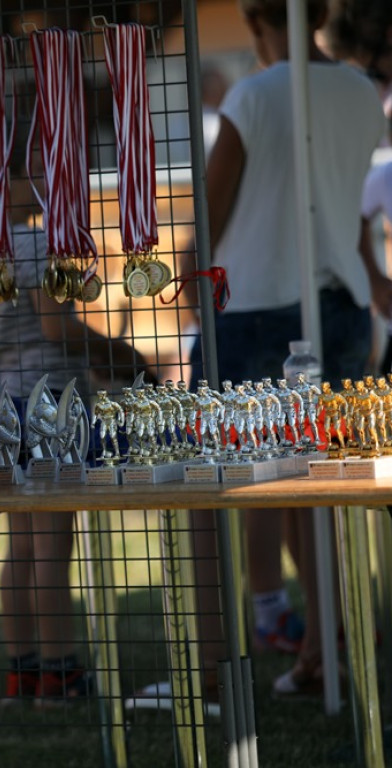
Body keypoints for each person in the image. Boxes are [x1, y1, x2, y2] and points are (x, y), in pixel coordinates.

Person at [184, 0, 387, 697]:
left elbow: (213, 206)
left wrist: (186, 276)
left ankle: (219, 668)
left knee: (209, 483)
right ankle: (327, 645)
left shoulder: (254, 93)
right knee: (317, 490)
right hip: (342, 307)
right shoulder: (361, 89)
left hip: (256, 309)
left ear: (253, 22)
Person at [0, 126, 154, 704]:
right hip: (50, 403)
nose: (53, 182)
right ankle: (60, 672)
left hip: (1, 403)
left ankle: (22, 670)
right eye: (40, 171)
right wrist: (124, 357)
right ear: (10, 183)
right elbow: (57, 328)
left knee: (21, 546)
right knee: (52, 546)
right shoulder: (36, 242)